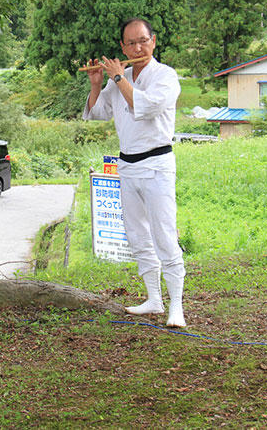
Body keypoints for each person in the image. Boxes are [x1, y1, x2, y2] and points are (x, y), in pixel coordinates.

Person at [82, 17, 186, 328]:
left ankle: (176, 306)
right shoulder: (120, 77)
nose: (137, 47)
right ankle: (154, 298)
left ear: (153, 41)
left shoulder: (166, 77)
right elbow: (97, 113)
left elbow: (145, 107)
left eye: (143, 40)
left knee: (164, 233)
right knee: (137, 234)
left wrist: (117, 79)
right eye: (130, 43)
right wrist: (98, 83)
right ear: (122, 47)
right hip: (127, 165)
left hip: (157, 164)